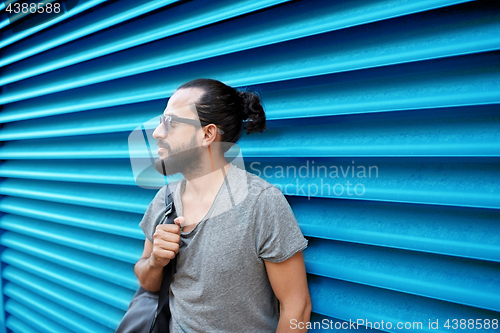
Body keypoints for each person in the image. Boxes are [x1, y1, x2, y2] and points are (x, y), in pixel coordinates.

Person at [133, 78, 311, 332]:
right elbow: (146, 281)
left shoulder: (260, 202)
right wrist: (155, 262)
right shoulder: (164, 200)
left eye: (169, 122)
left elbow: (297, 305)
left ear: (207, 134)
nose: (157, 132)